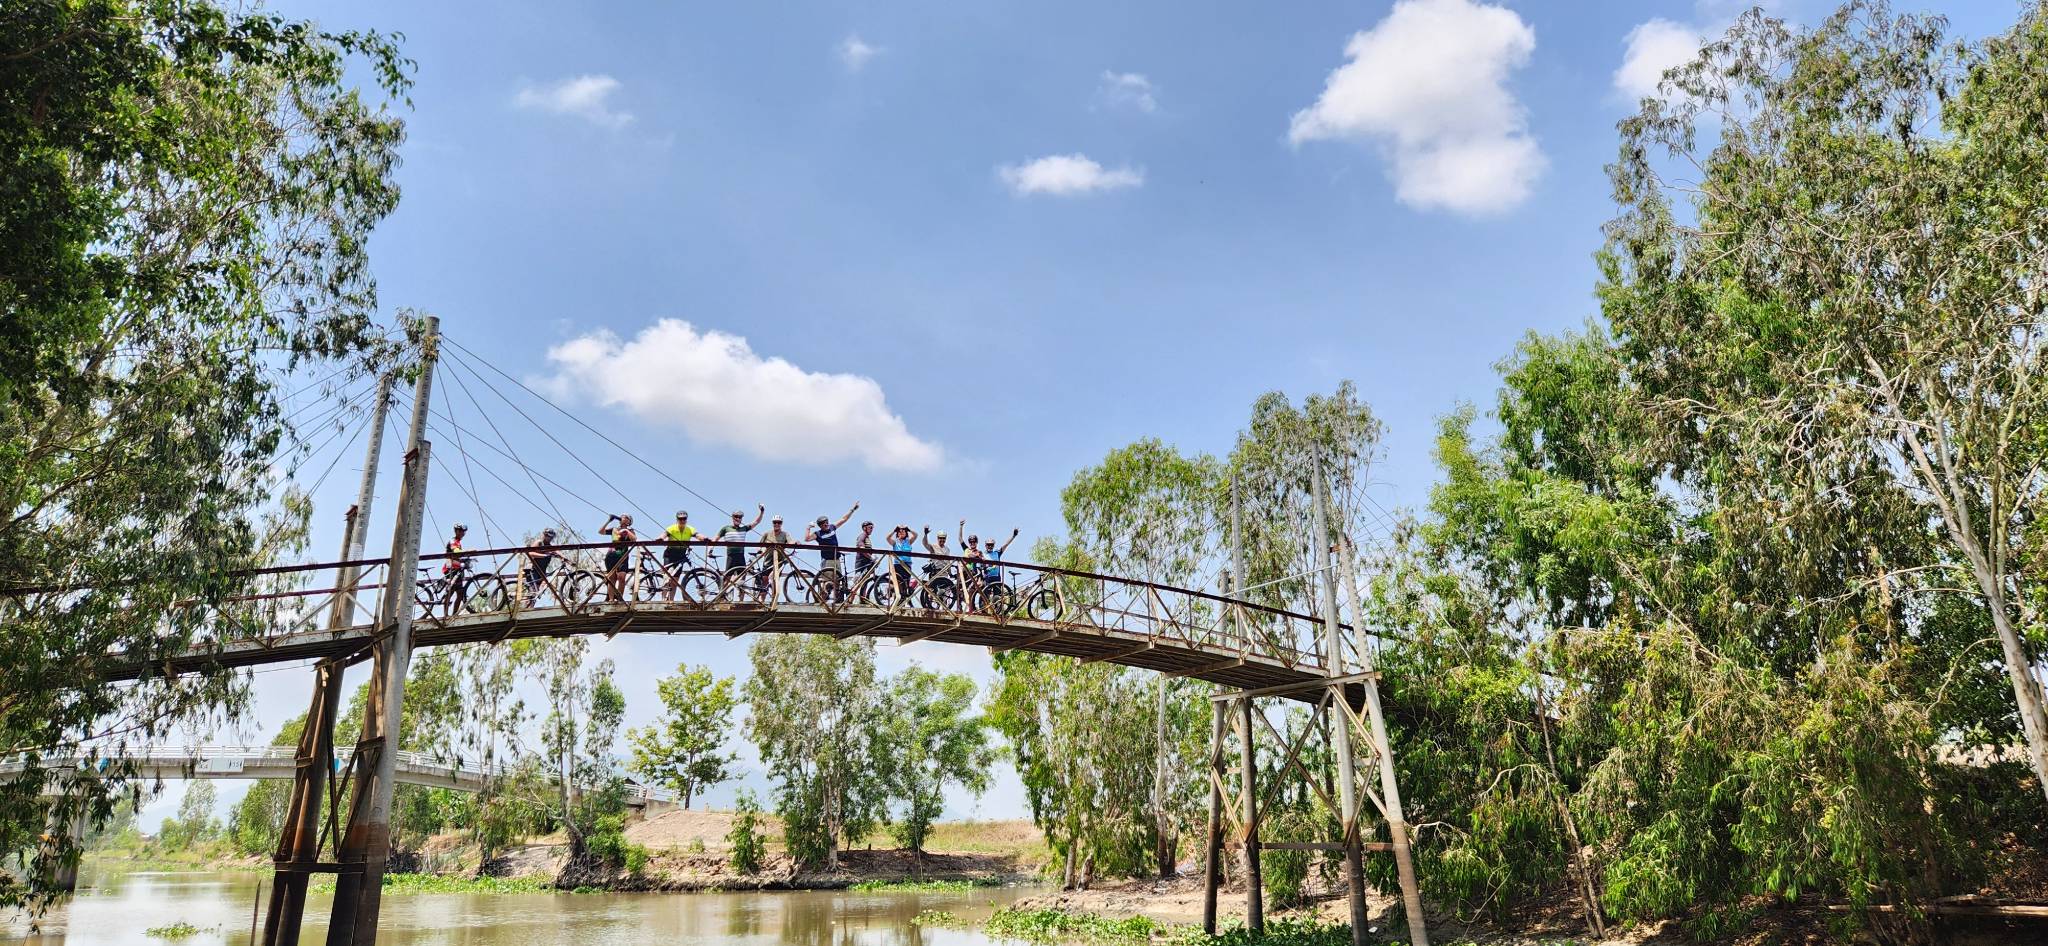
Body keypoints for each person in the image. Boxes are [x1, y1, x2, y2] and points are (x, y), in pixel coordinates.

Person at [804, 502, 860, 600]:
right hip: (827, 560)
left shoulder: (832, 527)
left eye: (826, 522)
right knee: (827, 583)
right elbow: (807, 539)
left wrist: (852, 509)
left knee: (838, 581)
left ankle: (837, 601)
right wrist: (808, 528)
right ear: (820, 526)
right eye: (823, 524)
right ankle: (823, 600)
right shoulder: (818, 533)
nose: (825, 524)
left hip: (836, 559)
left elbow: (844, 519)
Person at [718, 505, 765, 596]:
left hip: (740, 555)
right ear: (732, 517)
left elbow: (756, 522)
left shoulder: (743, 528)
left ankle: (741, 600)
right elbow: (716, 538)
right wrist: (710, 548)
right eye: (736, 516)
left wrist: (762, 512)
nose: (738, 518)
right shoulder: (726, 528)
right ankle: (720, 597)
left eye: (740, 517)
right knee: (727, 578)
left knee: (742, 580)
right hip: (731, 556)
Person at [598, 513, 638, 602]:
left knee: (622, 577)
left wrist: (626, 531)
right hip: (611, 554)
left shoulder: (630, 530)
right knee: (611, 578)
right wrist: (608, 521)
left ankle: (619, 598)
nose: (623, 517)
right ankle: (611, 599)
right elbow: (601, 531)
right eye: (622, 516)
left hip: (623, 555)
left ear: (629, 521)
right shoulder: (614, 529)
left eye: (626, 517)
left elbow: (634, 539)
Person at [662, 510, 698, 600]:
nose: (682, 521)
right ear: (677, 519)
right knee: (667, 577)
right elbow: (664, 534)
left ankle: (671, 600)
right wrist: (660, 538)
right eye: (680, 519)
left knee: (675, 581)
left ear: (686, 519)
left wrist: (704, 538)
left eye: (684, 519)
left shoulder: (690, 529)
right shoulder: (672, 528)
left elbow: (697, 535)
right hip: (670, 555)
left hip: (681, 555)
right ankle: (662, 599)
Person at [522, 528, 560, 605]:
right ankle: (527, 608)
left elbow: (557, 552)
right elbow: (530, 553)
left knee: (537, 592)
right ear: (544, 535)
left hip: (541, 571)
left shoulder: (549, 546)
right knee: (533, 590)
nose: (549, 538)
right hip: (533, 569)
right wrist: (544, 555)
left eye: (551, 537)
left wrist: (564, 558)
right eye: (548, 536)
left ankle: (530, 607)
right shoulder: (539, 543)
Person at [439, 523, 472, 611]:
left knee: (460, 593)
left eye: (463, 532)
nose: (462, 533)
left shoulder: (458, 542)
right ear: (456, 531)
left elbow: (458, 555)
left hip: (457, 569)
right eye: (461, 531)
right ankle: (446, 615)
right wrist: (469, 551)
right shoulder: (453, 541)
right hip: (451, 569)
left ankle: (454, 614)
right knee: (450, 592)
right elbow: (456, 551)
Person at [760, 515, 792, 598]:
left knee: (773, 578)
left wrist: (796, 543)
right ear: (772, 523)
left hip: (779, 561)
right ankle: (762, 600)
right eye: (775, 522)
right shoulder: (767, 533)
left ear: (781, 524)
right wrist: (761, 551)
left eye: (779, 522)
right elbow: (760, 544)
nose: (777, 524)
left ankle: (774, 599)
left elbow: (790, 542)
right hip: (767, 560)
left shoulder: (785, 534)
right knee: (764, 581)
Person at [888, 524, 917, 595]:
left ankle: (904, 599)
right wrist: (894, 531)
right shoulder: (895, 542)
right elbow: (887, 538)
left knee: (906, 584)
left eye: (903, 531)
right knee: (897, 582)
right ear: (897, 534)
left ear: (906, 533)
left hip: (907, 565)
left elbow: (916, 535)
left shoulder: (908, 541)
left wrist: (908, 529)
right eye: (899, 532)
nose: (901, 533)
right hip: (897, 565)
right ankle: (894, 597)